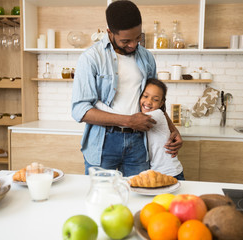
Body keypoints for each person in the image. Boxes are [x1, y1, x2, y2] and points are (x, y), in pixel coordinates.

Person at [71, 0, 182, 177]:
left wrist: (172, 129)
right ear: (109, 33)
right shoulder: (91, 58)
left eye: (137, 38)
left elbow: (155, 101)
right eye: (125, 40)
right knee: (101, 199)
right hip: (103, 142)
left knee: (138, 198)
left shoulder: (146, 58)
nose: (133, 45)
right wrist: (128, 121)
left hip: (139, 142)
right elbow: (80, 111)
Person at [96, 78, 185, 180]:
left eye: (155, 99)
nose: (148, 102)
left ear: (161, 103)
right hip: (158, 171)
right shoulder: (149, 113)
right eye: (145, 96)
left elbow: (131, 120)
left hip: (170, 172)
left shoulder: (157, 114)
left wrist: (97, 104)